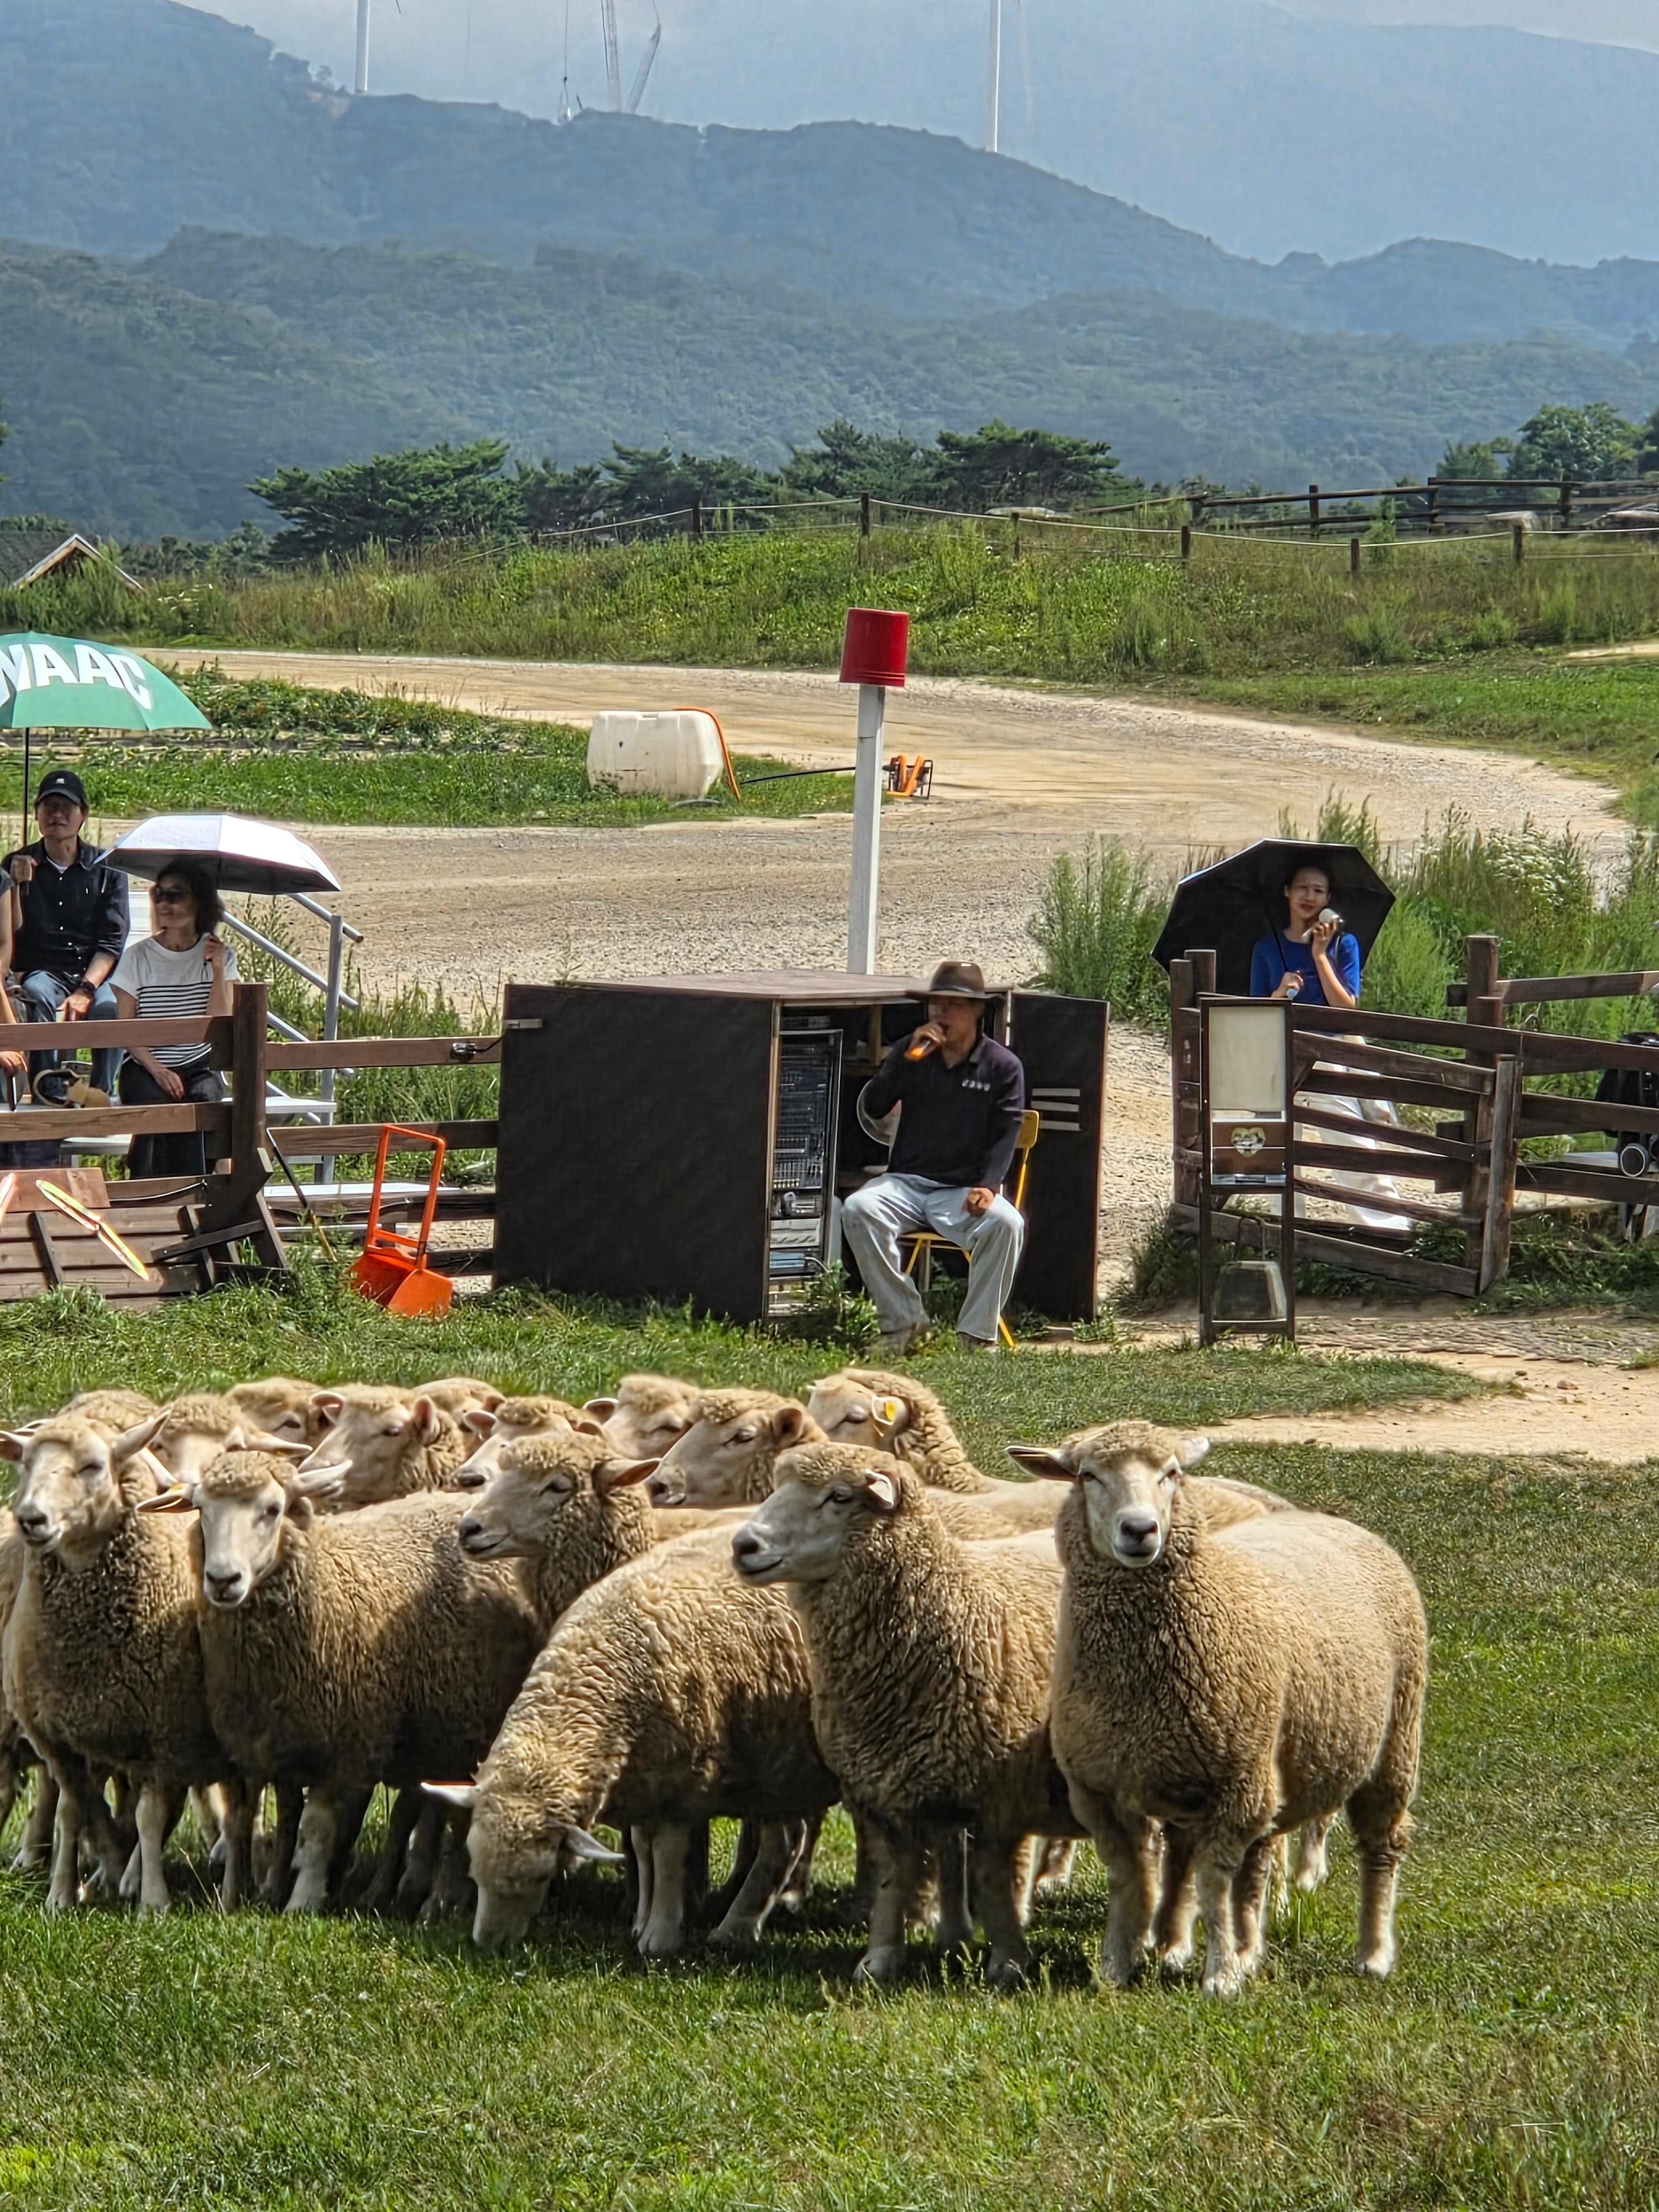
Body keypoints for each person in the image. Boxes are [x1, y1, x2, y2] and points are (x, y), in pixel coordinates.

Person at [839, 960, 1027, 1355]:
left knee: (1008, 1223)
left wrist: (989, 1185)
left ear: (976, 1011)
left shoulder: (1003, 1067)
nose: (940, 1014)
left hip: (961, 1190)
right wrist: (904, 1062)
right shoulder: (913, 1051)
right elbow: (873, 1106)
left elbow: (1006, 1132)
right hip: (906, 1182)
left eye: (952, 1005)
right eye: (934, 1004)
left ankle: (976, 1337)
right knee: (857, 1208)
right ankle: (905, 1325)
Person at [1249, 857, 1406, 1230]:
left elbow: (1347, 1007)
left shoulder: (1343, 945)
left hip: (1326, 1058)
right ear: (1287, 891)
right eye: (1302, 887)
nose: (1309, 896)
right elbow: (1256, 1013)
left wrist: (1320, 956)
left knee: (1351, 1143)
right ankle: (1285, 1236)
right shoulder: (1266, 948)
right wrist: (1280, 992)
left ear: (1329, 898)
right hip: (1278, 1057)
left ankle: (1391, 1231)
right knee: (1279, 1153)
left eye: (1318, 890)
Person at [5, 767, 129, 1098]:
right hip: (43, 969)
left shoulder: (107, 869)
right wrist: (16, 885)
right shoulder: (16, 862)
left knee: (109, 1007)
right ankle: (49, 1086)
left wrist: (87, 988)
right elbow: (12, 932)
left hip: (93, 971)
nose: (57, 815)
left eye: (66, 808)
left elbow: (112, 941)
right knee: (37, 992)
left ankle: (101, 1093)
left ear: (82, 815)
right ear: (37, 814)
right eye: (49, 807)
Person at [109, 861, 237, 1180]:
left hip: (198, 1063)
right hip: (146, 1063)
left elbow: (221, 1021)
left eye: (175, 895)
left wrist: (219, 970)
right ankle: (145, 1192)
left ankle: (195, 1192)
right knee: (158, 1109)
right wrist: (158, 1069)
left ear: (198, 901)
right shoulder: (138, 957)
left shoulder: (221, 956)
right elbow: (126, 1028)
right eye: (159, 895)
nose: (164, 904)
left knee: (205, 1104)